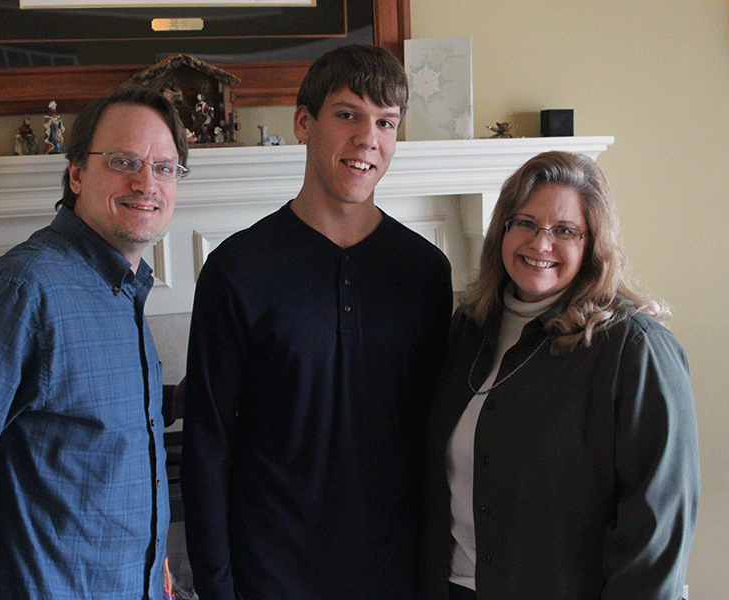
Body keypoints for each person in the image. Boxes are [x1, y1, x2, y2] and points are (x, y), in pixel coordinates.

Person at [0, 85, 189, 600]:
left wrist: (183, 400)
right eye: (123, 161)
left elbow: (77, 416)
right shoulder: (21, 291)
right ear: (77, 174)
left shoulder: (121, 289)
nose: (147, 182)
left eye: (165, 168)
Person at [180, 44, 454, 600]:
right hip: (269, 575)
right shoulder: (237, 270)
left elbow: (436, 442)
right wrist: (217, 587)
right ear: (303, 122)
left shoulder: (425, 272)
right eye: (347, 114)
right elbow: (207, 446)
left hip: (392, 573)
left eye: (386, 123)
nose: (367, 140)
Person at [418, 151, 700, 600]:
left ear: (593, 243)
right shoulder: (468, 328)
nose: (540, 243)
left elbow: (656, 530)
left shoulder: (635, 350)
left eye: (564, 230)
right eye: (525, 222)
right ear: (502, 230)